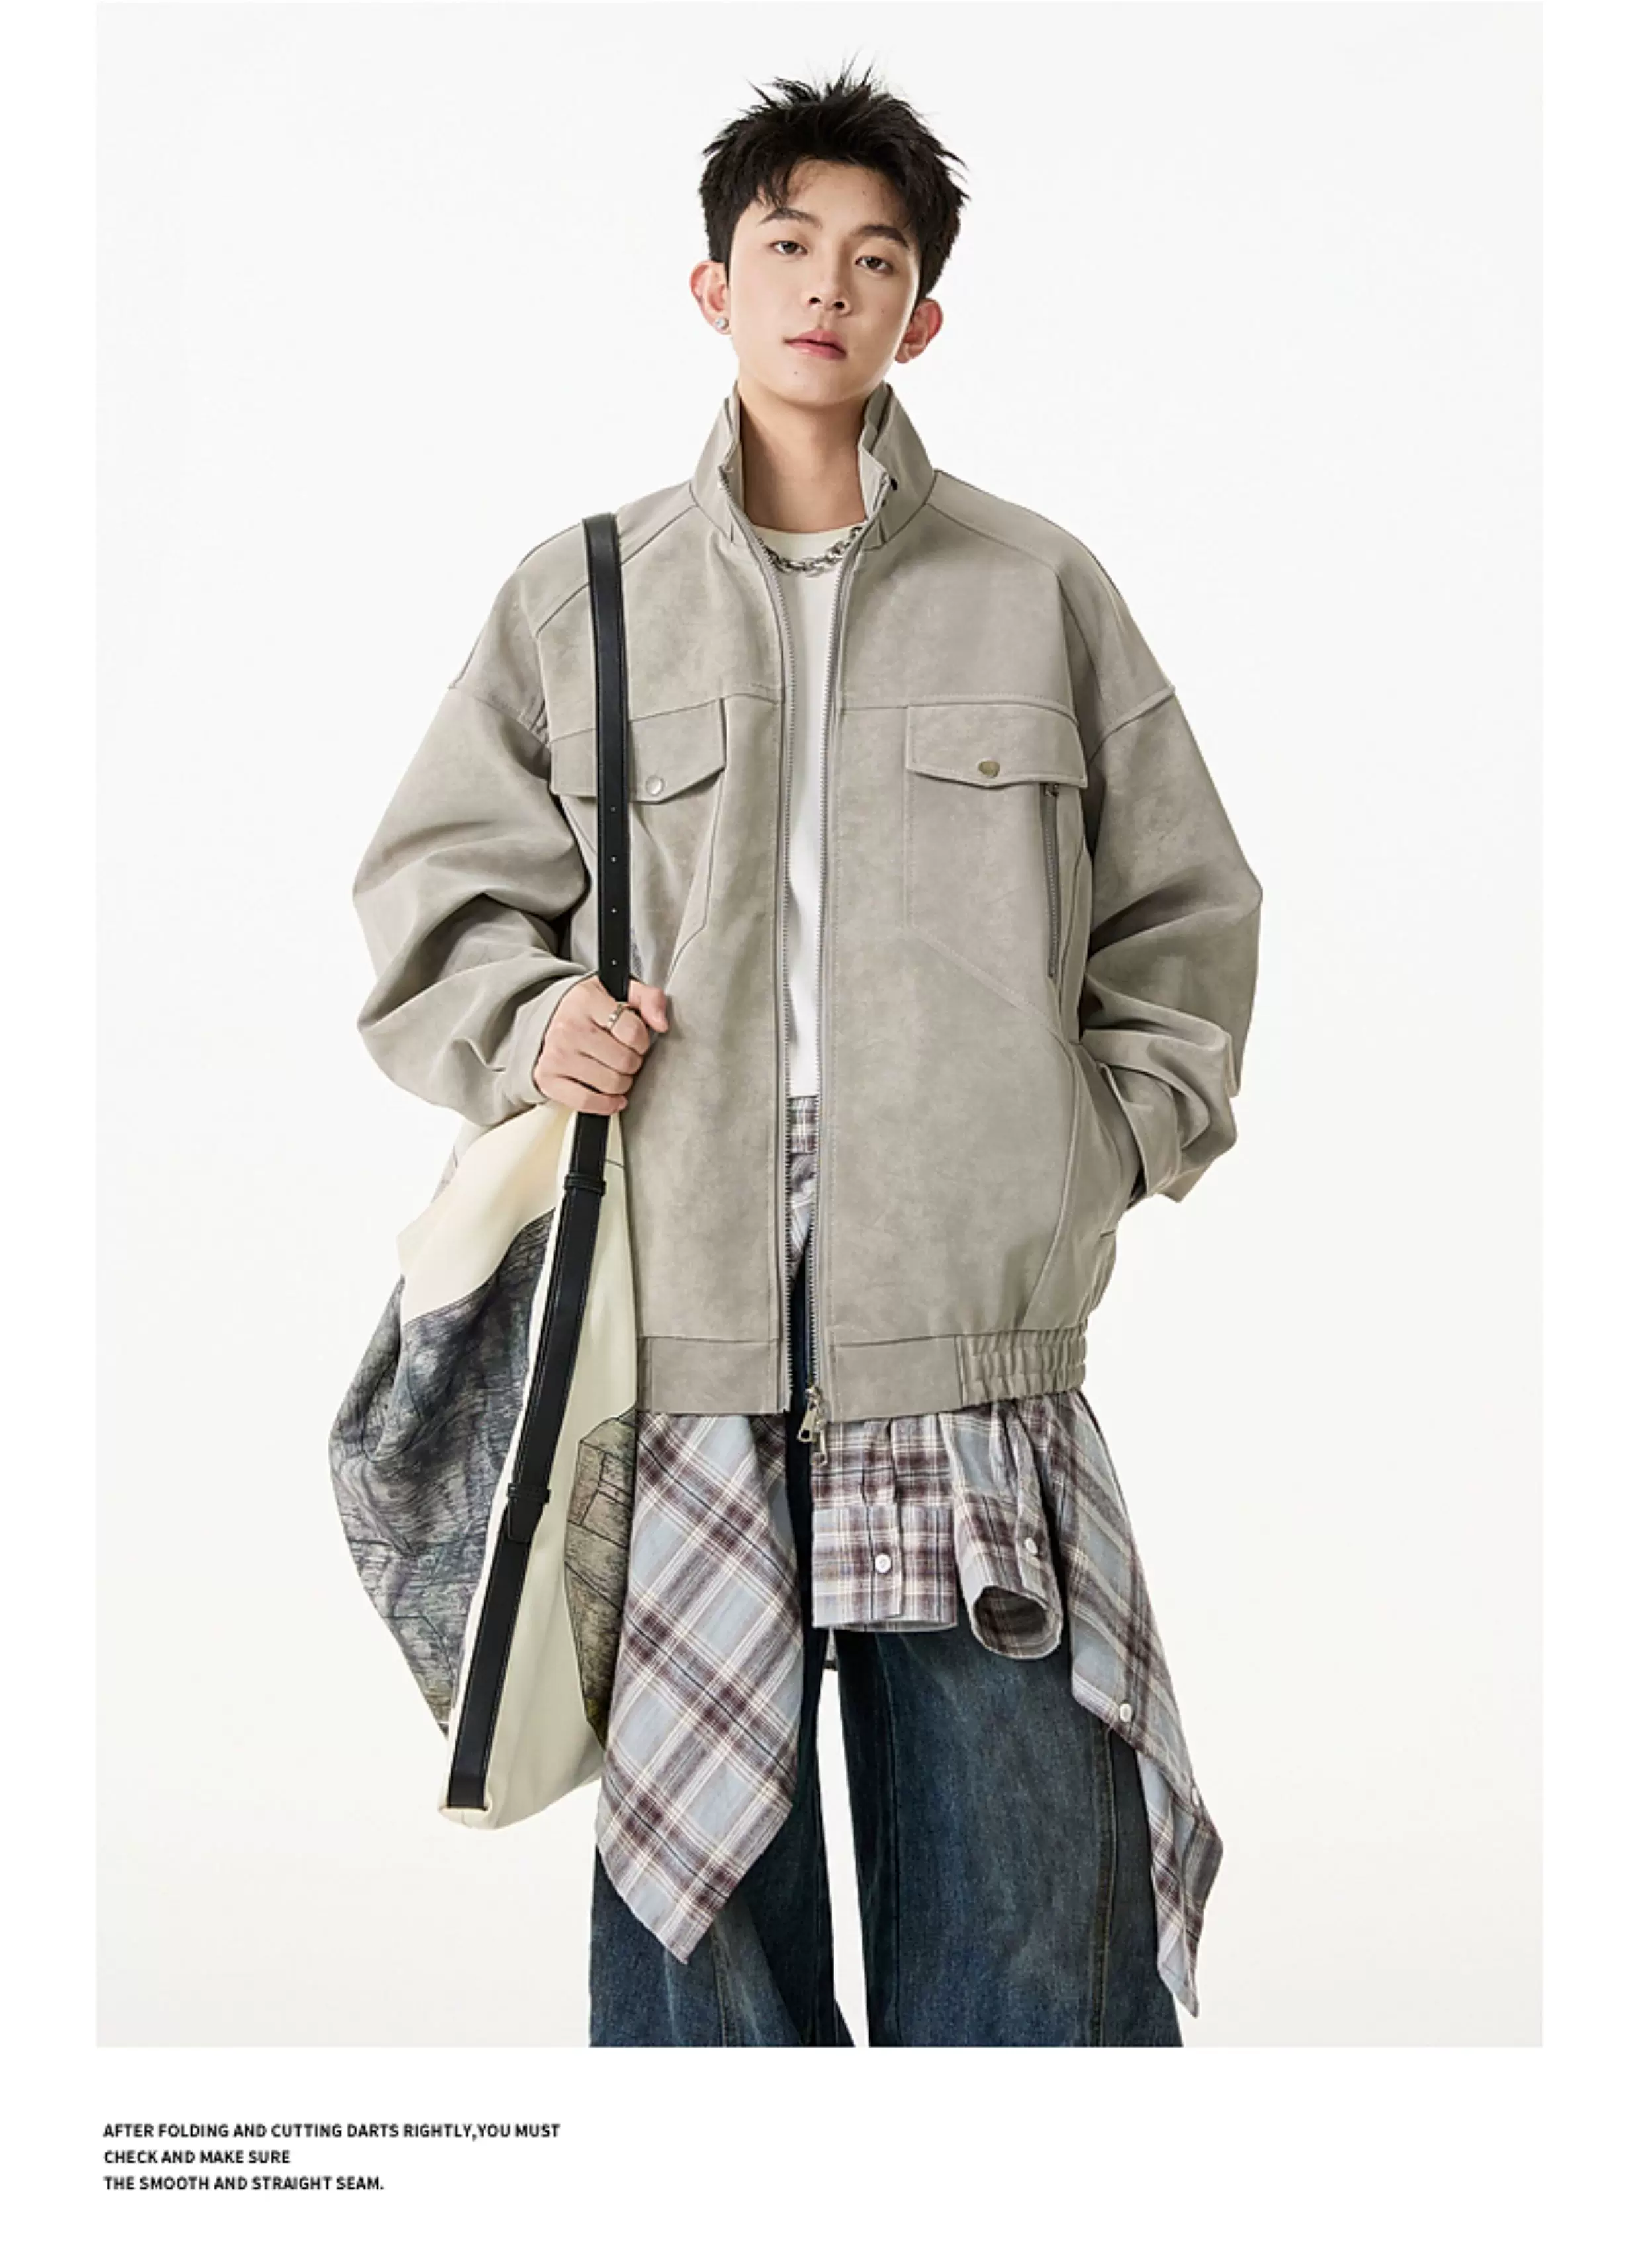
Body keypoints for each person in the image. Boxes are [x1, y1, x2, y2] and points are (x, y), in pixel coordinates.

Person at [350, 65, 1263, 2046]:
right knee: (710, 1969)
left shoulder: (1039, 589)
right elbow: (436, 896)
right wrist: (535, 1023)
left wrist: (1091, 1150)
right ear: (716, 286)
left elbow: (1187, 917)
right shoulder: (583, 596)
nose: (828, 289)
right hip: (681, 1350)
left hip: (968, 1363)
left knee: (1027, 1950)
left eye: (875, 260)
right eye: (789, 247)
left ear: (920, 316)